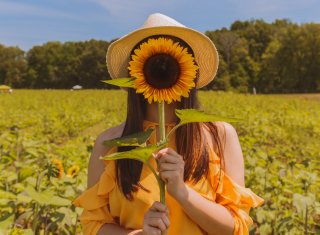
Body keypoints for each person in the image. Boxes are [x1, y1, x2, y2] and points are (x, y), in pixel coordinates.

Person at [73, 13, 264, 235]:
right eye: (155, 62)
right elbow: (93, 226)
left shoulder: (219, 135)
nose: (162, 68)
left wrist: (182, 193)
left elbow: (236, 228)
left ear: (188, 71)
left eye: (169, 61)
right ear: (136, 72)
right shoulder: (109, 144)